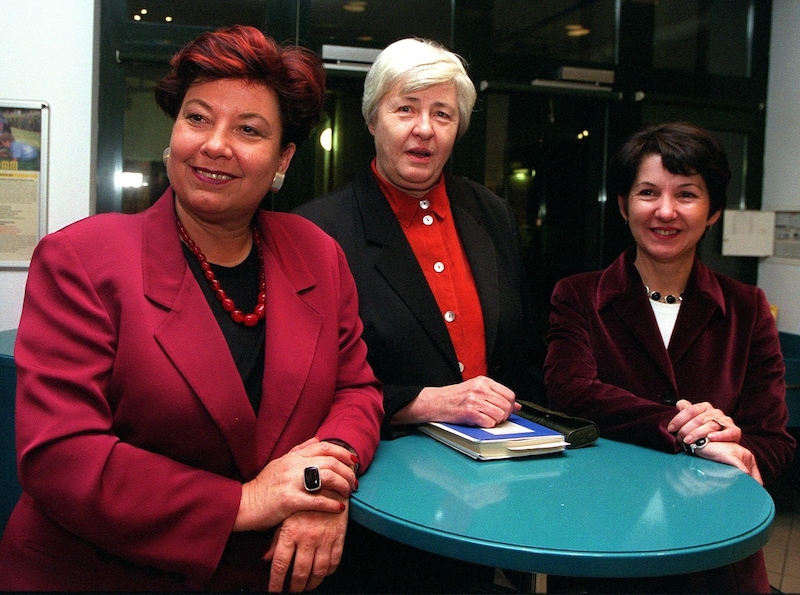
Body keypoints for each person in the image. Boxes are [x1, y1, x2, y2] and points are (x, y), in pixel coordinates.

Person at [0, 25, 383, 593]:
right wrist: (250, 500)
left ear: (284, 158)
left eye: (248, 129)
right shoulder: (81, 259)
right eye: (197, 118)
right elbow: (63, 455)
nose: (214, 144)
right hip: (98, 572)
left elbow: (356, 392)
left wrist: (318, 487)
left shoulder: (317, 255)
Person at [296, 37, 541, 593]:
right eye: (405, 108)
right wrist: (420, 401)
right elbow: (304, 391)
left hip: (490, 496)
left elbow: (518, 353)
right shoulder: (317, 232)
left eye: (442, 113)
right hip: (380, 506)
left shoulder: (492, 214)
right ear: (372, 118)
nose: (424, 128)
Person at [544, 121, 795, 594]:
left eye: (686, 194)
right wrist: (687, 432)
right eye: (647, 192)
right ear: (622, 205)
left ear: (714, 210)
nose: (665, 211)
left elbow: (773, 440)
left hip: (715, 552)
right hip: (603, 546)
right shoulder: (577, 295)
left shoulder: (747, 308)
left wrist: (734, 452)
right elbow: (571, 392)